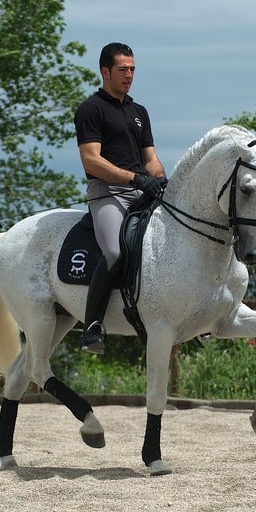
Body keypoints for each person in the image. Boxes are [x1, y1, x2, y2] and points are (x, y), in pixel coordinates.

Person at [74, 42, 167, 354]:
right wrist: (134, 177)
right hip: (107, 193)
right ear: (105, 71)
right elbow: (92, 160)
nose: (129, 75)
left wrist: (159, 179)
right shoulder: (91, 109)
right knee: (115, 252)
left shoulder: (139, 112)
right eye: (122, 70)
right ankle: (91, 327)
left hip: (141, 191)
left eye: (132, 69)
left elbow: (150, 158)